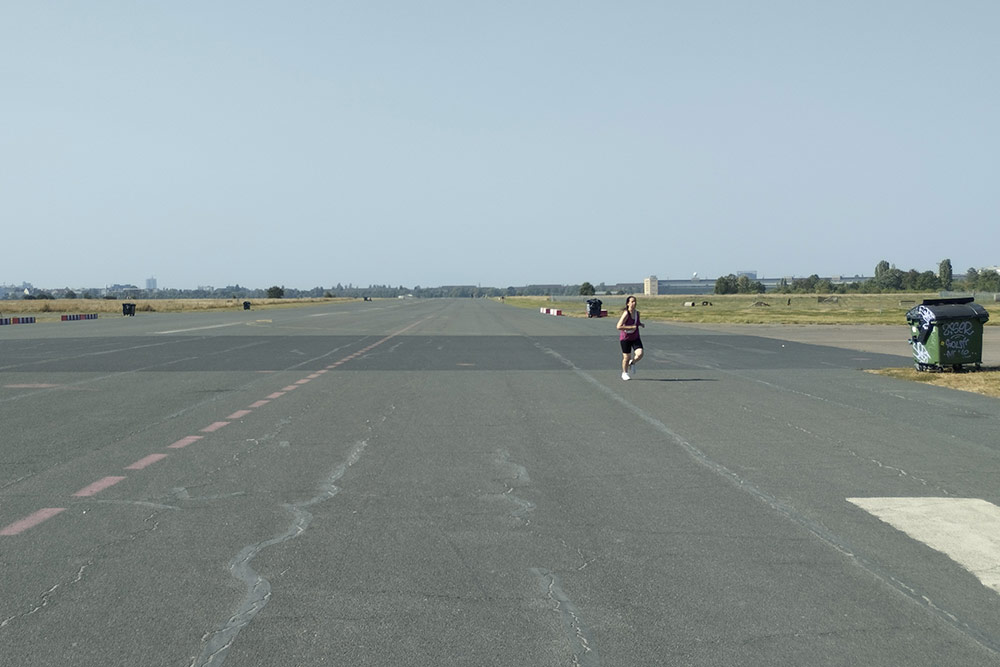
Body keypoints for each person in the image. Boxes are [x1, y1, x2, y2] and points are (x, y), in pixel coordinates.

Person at [616, 295, 644, 381]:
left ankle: (632, 362)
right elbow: (618, 326)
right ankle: (624, 373)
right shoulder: (626, 314)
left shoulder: (637, 313)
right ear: (628, 303)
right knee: (626, 357)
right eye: (631, 301)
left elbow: (637, 322)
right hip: (625, 338)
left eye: (634, 301)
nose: (633, 303)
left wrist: (640, 324)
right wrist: (631, 327)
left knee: (640, 354)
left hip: (635, 337)